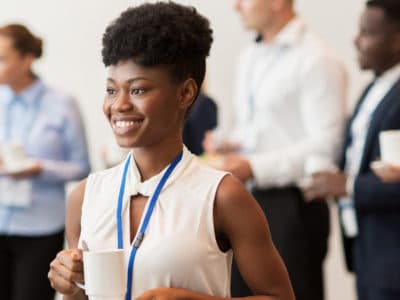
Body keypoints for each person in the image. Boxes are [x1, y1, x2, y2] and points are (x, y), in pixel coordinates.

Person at [47, 3, 295, 300]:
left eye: (137, 90)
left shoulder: (222, 196)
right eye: (112, 90)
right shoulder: (85, 196)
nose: (119, 105)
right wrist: (70, 287)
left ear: (186, 93)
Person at [203, 0, 346, 299]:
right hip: (249, 201)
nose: (236, 6)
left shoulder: (316, 58)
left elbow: (326, 145)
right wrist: (226, 145)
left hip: (292, 207)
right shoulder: (249, 56)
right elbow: (257, 128)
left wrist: (253, 166)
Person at [302, 1, 400, 299]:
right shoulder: (373, 89)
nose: (356, 40)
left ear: (397, 40)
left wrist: (348, 185)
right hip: (366, 252)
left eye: (367, 33)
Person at [0, 24, 90, 300]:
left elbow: (81, 166)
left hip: (40, 229)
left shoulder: (62, 103)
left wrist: (40, 169)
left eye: (2, 59)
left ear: (27, 59)